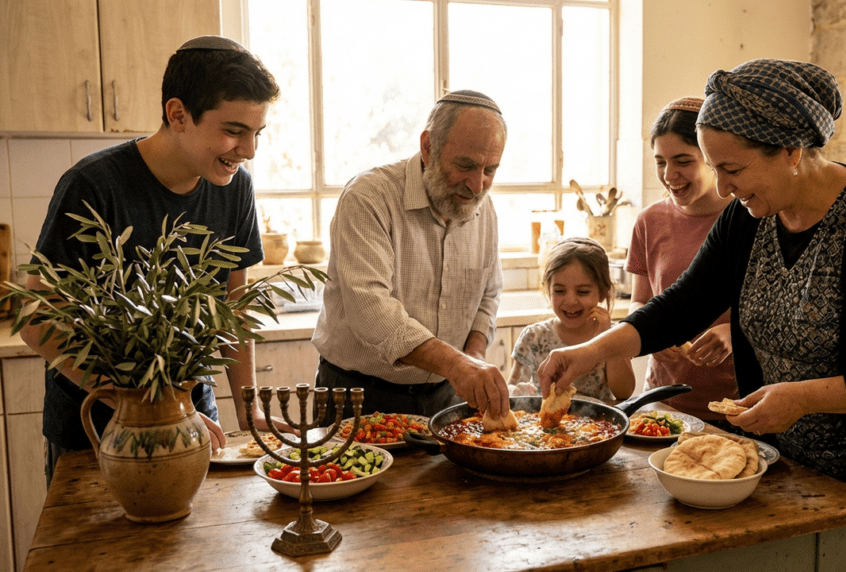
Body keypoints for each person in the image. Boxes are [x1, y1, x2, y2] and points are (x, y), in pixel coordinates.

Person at [538, 59, 846, 572]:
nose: (722, 188)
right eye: (715, 167)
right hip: (799, 474)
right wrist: (588, 350)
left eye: (733, 169)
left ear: (791, 151)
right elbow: (681, 305)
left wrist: (805, 397)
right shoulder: (747, 221)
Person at [21, 35, 285, 484]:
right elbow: (37, 317)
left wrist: (248, 409)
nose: (249, 151)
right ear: (178, 114)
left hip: (194, 419)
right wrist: (145, 408)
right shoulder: (93, 184)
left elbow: (233, 311)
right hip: (95, 432)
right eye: (234, 130)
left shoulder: (235, 188)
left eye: (257, 133)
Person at [312, 90, 510, 424]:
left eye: (490, 170)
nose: (477, 185)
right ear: (428, 146)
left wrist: (473, 357)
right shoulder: (369, 197)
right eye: (466, 165)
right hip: (357, 395)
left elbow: (488, 295)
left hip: (445, 397)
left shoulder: (484, 209)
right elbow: (372, 310)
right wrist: (456, 364)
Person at [626, 97, 738, 421]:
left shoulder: (748, 218)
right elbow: (639, 301)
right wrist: (651, 335)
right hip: (663, 405)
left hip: (735, 407)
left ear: (712, 159)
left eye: (683, 161)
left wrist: (732, 333)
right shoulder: (649, 220)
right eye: (661, 162)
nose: (669, 174)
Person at [507, 237, 635, 402]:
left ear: (603, 292)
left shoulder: (614, 335)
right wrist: (516, 391)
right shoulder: (533, 337)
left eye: (582, 292)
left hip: (597, 425)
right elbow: (512, 397)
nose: (570, 301)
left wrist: (607, 338)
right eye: (560, 291)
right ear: (548, 290)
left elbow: (624, 392)